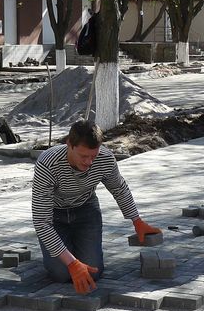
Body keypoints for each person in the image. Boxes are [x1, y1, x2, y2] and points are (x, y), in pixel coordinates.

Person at [31, 120, 161, 294]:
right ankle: (60, 254)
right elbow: (42, 222)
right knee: (61, 274)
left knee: (93, 272)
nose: (89, 162)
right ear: (69, 144)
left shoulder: (105, 159)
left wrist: (136, 221)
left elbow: (119, 188)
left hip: (86, 210)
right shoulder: (48, 164)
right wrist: (72, 263)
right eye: (84, 156)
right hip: (55, 216)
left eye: (93, 155)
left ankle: (67, 250)